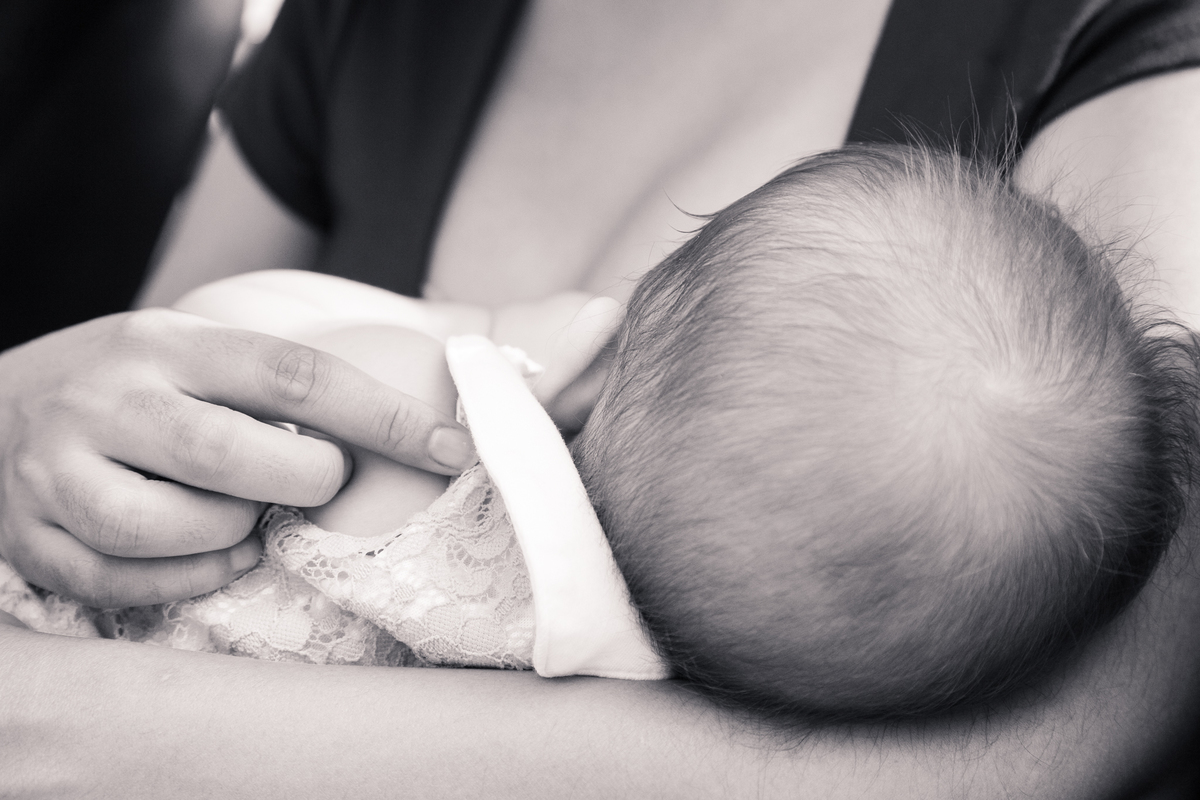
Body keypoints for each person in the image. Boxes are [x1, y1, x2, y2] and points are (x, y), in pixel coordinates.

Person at [3, 0, 1200, 795]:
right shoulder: (378, 26)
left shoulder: (1116, 42)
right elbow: (144, 380)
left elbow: (1043, 743)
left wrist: (94, 721)